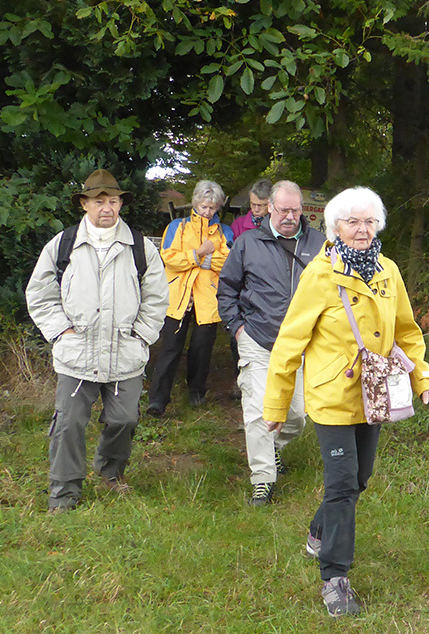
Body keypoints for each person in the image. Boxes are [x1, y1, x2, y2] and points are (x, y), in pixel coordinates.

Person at [264, 187, 429, 616]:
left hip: (374, 395)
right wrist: (276, 406)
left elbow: (407, 331)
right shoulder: (319, 275)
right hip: (333, 396)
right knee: (342, 485)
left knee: (359, 478)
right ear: (335, 227)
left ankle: (318, 531)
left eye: (369, 221)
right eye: (352, 222)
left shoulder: (387, 270)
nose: (362, 230)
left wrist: (422, 378)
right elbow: (289, 342)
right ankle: (335, 578)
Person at [25, 169, 169, 512]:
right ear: (84, 204)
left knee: (125, 420)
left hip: (125, 354)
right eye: (100, 201)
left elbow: (157, 297)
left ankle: (109, 473)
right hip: (77, 355)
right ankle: (64, 492)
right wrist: (61, 331)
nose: (108, 208)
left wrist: (141, 335)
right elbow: (40, 294)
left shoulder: (140, 247)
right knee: (68, 424)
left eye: (114, 201)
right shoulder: (63, 244)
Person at [217, 181, 326, 506]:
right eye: (283, 210)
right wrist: (237, 328)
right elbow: (227, 289)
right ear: (270, 208)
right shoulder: (248, 243)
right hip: (258, 339)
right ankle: (263, 479)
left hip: (301, 345)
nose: (289, 216)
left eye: (295, 210)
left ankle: (274, 447)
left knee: (297, 416)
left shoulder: (320, 244)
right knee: (258, 412)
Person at [147, 179, 230, 416]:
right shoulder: (177, 227)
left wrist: (200, 259)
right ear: (195, 203)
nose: (207, 212)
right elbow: (169, 257)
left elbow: (228, 261)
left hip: (208, 298)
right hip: (178, 297)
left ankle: (196, 393)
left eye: (212, 207)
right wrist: (199, 254)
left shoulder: (224, 232)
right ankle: (158, 400)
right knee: (170, 348)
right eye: (204, 206)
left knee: (202, 349)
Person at [231, 179, 273, 243]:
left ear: (271, 204)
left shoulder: (278, 224)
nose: (256, 210)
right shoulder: (238, 224)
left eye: (261, 205)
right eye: (253, 204)